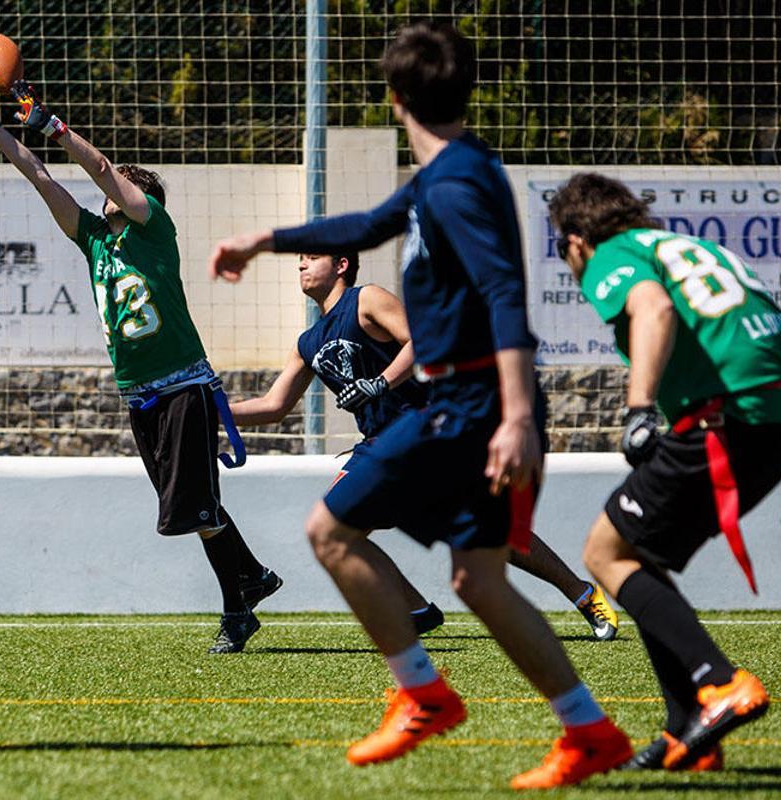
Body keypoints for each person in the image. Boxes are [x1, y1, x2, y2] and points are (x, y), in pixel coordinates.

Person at [208, 23, 631, 789]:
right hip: (472, 403)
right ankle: (589, 730)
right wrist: (265, 238)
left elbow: (504, 295)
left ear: (396, 98)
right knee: (480, 579)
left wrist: (516, 416)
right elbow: (364, 226)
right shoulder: (452, 171)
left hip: (465, 405)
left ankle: (423, 693)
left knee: (330, 529)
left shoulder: (456, 185)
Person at [0, 82, 279, 654]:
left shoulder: (154, 229)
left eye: (121, 189)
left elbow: (103, 169)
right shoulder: (95, 242)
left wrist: (53, 127)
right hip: (139, 395)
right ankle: (251, 576)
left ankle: (238, 609)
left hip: (183, 387)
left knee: (197, 509)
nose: (107, 192)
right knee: (191, 508)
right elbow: (42, 180)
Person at [547, 172, 781, 770]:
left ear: (577, 239)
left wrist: (638, 409)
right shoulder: (697, 251)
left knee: (605, 552)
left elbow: (653, 309)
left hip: (725, 418)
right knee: (640, 554)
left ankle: (721, 682)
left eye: (565, 251)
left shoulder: (612, 254)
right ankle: (687, 729)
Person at [230, 251, 621, 640]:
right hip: (378, 447)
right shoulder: (307, 342)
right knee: (334, 529)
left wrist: (380, 382)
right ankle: (417, 611)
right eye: (300, 258)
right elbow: (274, 406)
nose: (301, 264)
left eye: (312, 257)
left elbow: (421, 341)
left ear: (341, 265)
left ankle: (583, 594)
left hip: (425, 431)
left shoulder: (366, 300)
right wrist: (211, 411)